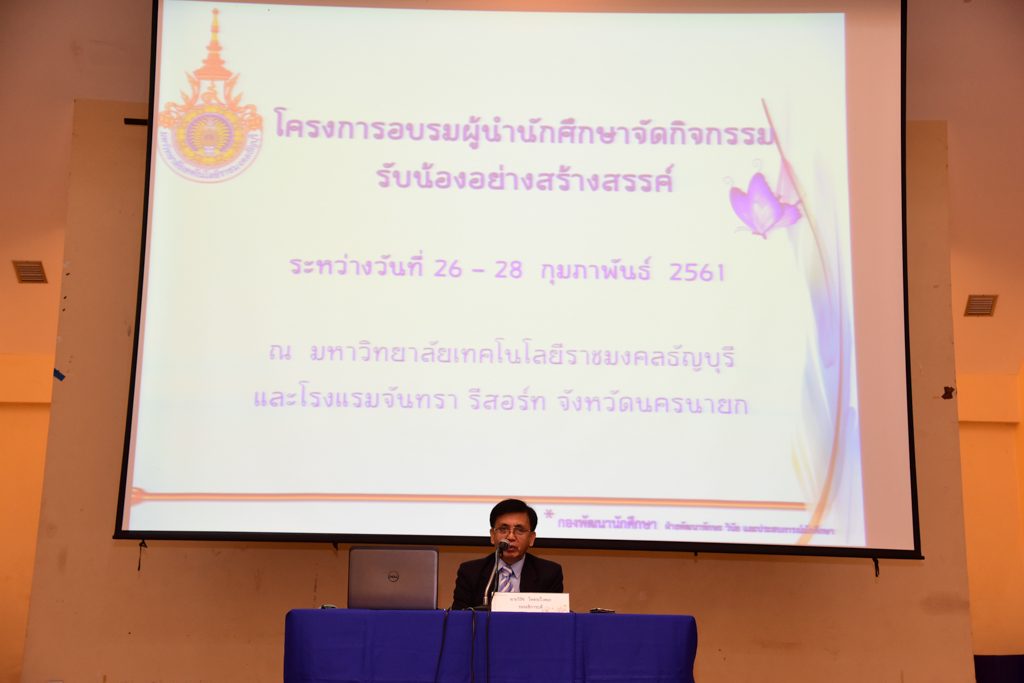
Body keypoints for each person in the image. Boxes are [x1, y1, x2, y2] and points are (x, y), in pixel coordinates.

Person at [451, 498, 564, 610]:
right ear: (492, 536)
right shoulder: (470, 572)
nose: (510, 537)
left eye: (519, 530)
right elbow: (459, 617)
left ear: (531, 538)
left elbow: (554, 617)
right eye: (503, 529)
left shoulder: (549, 574)